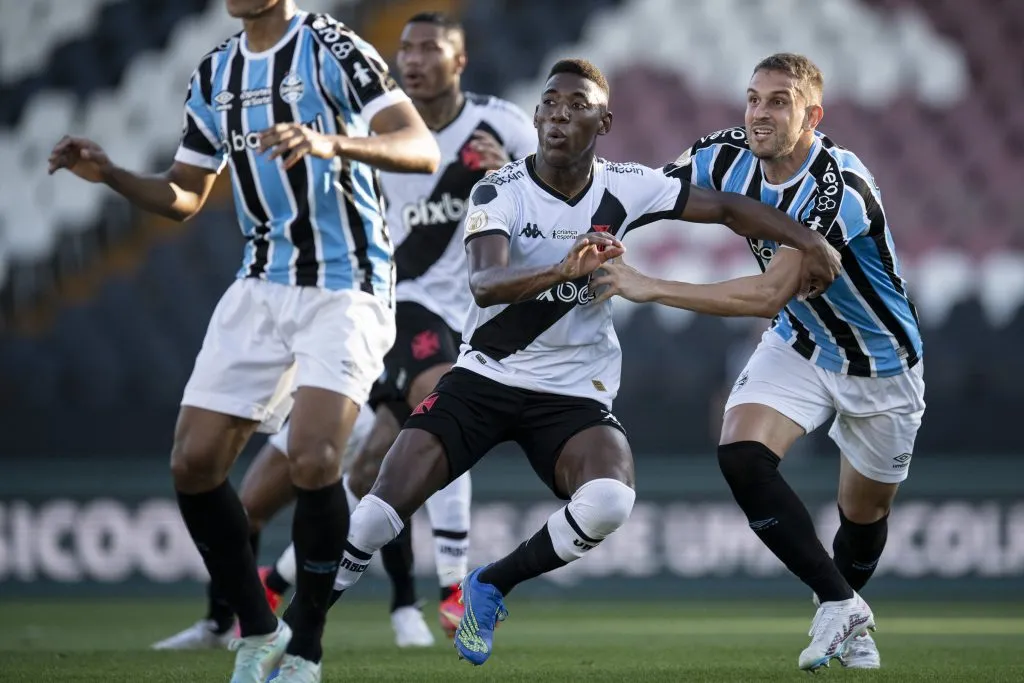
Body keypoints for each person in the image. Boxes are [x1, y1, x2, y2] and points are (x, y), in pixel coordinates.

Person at [325, 57, 842, 668]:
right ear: (538, 114)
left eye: (577, 105)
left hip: (573, 391)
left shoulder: (629, 185)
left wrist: (807, 239)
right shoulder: (500, 188)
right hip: (487, 374)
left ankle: (490, 583)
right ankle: (296, 637)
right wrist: (561, 268)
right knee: (375, 520)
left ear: (604, 121)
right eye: (551, 103)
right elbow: (486, 284)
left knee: (609, 503)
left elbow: (727, 209)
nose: (559, 114)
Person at [48, 0, 440, 680]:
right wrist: (110, 175)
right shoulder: (215, 72)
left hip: (347, 282)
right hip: (260, 285)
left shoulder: (331, 45)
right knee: (194, 464)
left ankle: (307, 647)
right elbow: (185, 194)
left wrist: (332, 142)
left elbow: (419, 145)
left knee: (316, 456)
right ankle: (260, 629)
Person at [148, 10, 535, 652]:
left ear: (458, 59)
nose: (413, 60)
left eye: (429, 48)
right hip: (342, 310)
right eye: (405, 48)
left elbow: (551, 207)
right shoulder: (362, 118)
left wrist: (510, 178)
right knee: (262, 493)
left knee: (404, 436)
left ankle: (433, 590)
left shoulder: (500, 128)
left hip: (413, 319)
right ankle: (230, 617)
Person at [592, 53, 924, 672]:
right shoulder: (724, 156)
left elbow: (768, 293)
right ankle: (839, 603)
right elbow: (643, 193)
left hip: (881, 365)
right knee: (742, 453)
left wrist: (648, 284)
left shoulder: (838, 187)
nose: (759, 113)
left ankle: (847, 610)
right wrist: (593, 226)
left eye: (778, 101)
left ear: (812, 115)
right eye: (752, 98)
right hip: (800, 342)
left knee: (865, 513)